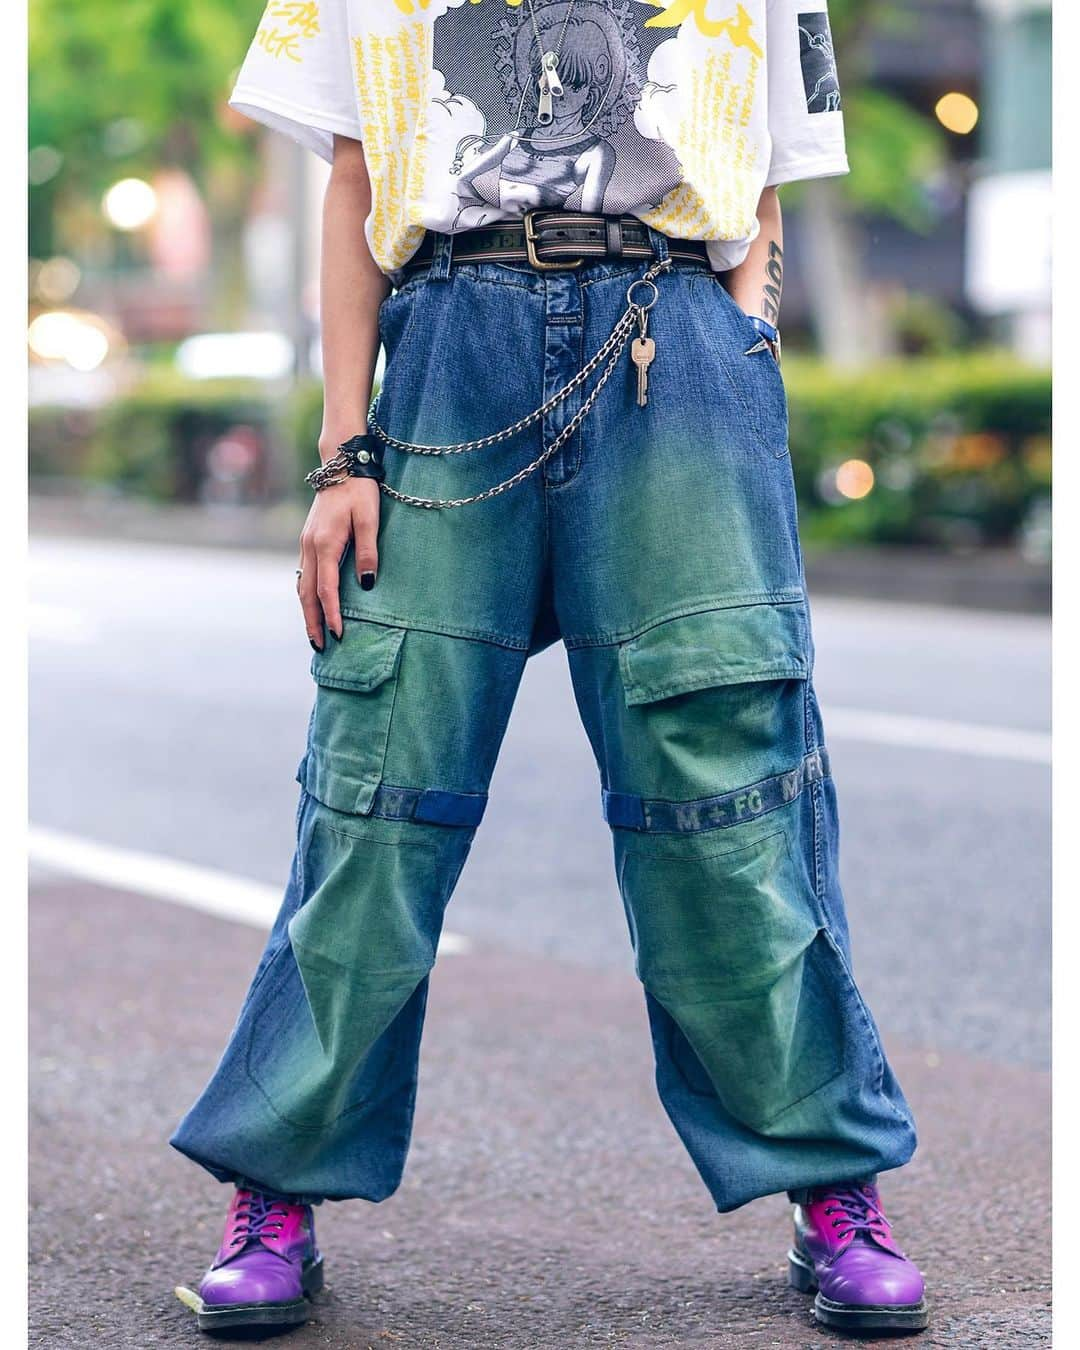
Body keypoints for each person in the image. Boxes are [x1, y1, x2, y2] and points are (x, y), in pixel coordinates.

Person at [170, 0, 929, 1337]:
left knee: (730, 785)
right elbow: (354, 175)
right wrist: (345, 454)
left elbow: (759, 174)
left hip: (672, 341)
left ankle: (834, 1186)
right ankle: (276, 1185)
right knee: (378, 778)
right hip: (450, 343)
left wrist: (734, 335)